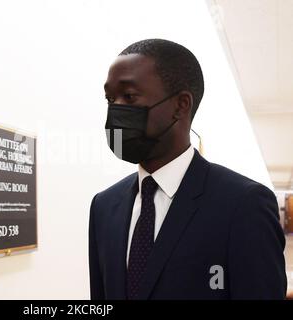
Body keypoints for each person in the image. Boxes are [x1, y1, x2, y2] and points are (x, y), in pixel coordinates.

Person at [89, 38, 287, 300]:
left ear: (180, 105)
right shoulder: (104, 206)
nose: (115, 111)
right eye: (110, 99)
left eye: (130, 96)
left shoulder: (243, 204)